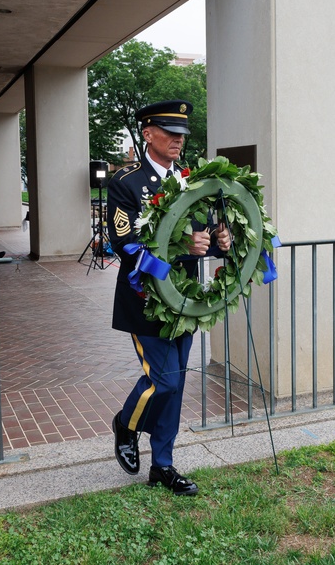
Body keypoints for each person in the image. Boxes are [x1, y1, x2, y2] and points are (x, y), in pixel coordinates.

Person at [107, 100, 231, 497]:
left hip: (184, 299)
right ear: (148, 134)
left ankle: (163, 464)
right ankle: (126, 424)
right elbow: (124, 245)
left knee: (175, 383)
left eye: (182, 134)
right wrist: (184, 245)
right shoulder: (125, 182)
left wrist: (221, 243)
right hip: (145, 299)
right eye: (169, 132)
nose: (179, 140)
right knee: (163, 382)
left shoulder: (191, 181)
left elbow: (204, 237)